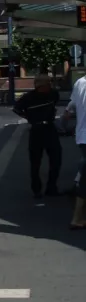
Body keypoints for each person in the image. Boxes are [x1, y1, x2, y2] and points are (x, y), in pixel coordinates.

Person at [13, 74, 61, 199]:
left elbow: (54, 105)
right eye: (48, 84)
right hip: (36, 130)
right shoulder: (29, 97)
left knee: (56, 159)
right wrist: (29, 118)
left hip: (50, 128)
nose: (50, 86)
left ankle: (52, 187)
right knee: (35, 162)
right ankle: (36, 189)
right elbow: (16, 109)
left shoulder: (53, 94)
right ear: (41, 85)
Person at [63, 73, 86, 228]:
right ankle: (77, 218)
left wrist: (67, 125)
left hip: (83, 137)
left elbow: (70, 109)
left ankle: (78, 218)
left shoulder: (80, 82)